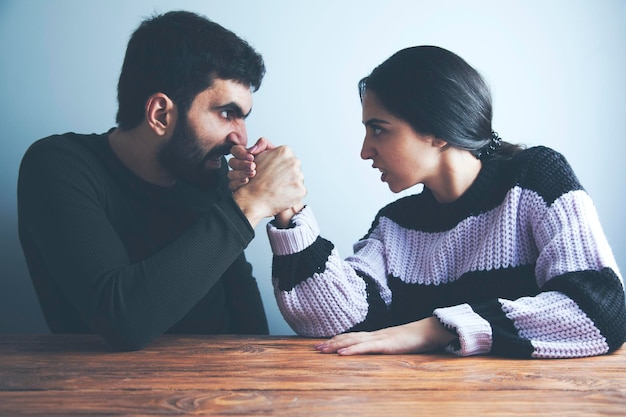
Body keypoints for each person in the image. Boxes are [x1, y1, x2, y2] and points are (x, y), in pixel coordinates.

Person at [229, 46, 625, 358]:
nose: (366, 151)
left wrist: (433, 330)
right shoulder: (395, 224)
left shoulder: (536, 178)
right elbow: (335, 318)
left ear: (437, 131)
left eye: (378, 130)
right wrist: (289, 210)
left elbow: (601, 311)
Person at [17, 11, 305, 351]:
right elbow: (123, 321)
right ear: (161, 114)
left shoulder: (205, 174)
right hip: (100, 393)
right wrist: (251, 204)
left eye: (243, 118)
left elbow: (241, 300)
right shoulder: (57, 165)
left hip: (223, 389)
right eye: (227, 114)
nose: (240, 138)